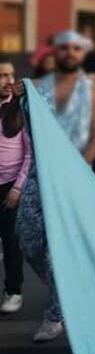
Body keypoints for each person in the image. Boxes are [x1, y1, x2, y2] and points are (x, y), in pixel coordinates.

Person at [15, 30, 95, 343]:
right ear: (55, 52)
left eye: (75, 48)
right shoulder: (36, 88)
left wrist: (80, 170)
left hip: (75, 178)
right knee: (28, 239)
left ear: (83, 53)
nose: (69, 52)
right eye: (64, 47)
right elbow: (18, 128)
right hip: (37, 177)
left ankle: (56, 313)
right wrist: (12, 98)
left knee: (61, 248)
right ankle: (72, 290)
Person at [0, 62, 29, 316]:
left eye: (10, 74)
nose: (8, 79)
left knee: (10, 240)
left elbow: (29, 154)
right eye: (2, 75)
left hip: (9, 186)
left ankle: (13, 291)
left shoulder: (22, 108)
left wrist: (17, 188)